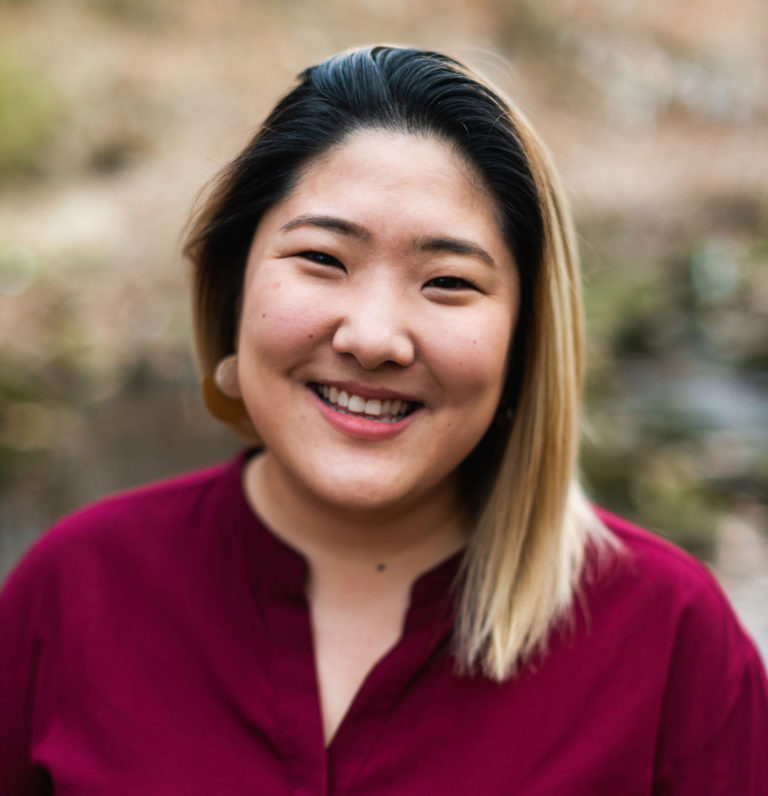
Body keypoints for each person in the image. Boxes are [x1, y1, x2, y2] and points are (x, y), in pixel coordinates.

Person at [1, 45, 766, 795]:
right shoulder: (73, 593)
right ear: (233, 292)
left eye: (447, 281)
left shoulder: (671, 644)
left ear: (525, 342)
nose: (371, 337)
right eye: (324, 259)